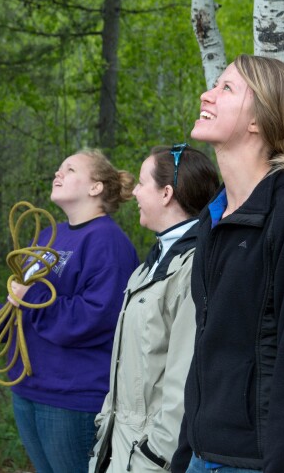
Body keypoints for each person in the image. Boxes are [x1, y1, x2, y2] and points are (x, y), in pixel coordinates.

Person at [172, 55, 284, 473]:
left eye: (226, 88)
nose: (207, 94)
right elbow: (208, 350)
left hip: (261, 463)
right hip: (203, 456)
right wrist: (186, 455)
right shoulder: (214, 218)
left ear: (259, 121)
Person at [0, 149, 140, 473]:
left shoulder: (108, 242)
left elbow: (98, 316)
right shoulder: (50, 234)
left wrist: (34, 296)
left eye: (69, 169)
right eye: (59, 169)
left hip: (71, 397)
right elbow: (23, 297)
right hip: (28, 387)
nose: (58, 174)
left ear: (95, 187)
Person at [89, 144, 219, 473]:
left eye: (142, 184)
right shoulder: (149, 265)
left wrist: (155, 455)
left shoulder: (193, 267)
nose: (132, 193)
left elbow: (183, 380)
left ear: (166, 193)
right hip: (118, 448)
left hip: (150, 459)